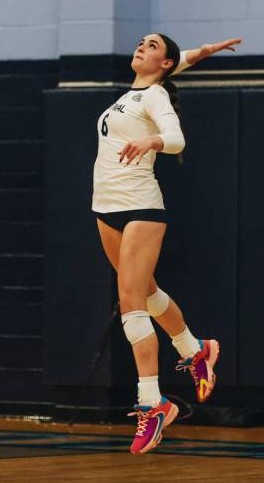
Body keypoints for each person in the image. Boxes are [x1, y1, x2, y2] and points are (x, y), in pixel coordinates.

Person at [92, 33, 242, 454]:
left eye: (152, 45)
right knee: (149, 291)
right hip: (105, 208)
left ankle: (152, 402)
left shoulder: (154, 97)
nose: (141, 46)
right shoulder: (134, 93)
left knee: (131, 301)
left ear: (163, 64)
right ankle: (196, 351)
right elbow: (175, 63)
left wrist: (152, 141)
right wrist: (203, 53)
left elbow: (176, 140)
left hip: (140, 207)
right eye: (141, 42)